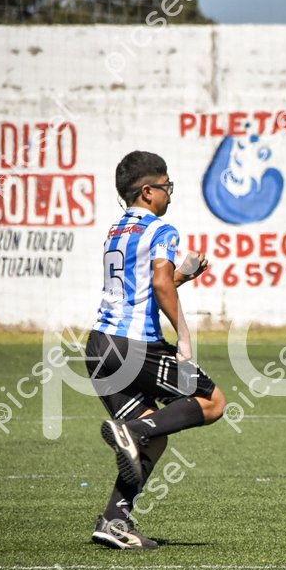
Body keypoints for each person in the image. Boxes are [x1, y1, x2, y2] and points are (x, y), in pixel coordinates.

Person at [85, 150, 226, 549]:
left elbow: (148, 286)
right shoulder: (162, 229)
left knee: (156, 434)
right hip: (134, 346)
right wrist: (184, 334)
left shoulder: (117, 230)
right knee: (213, 402)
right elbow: (160, 284)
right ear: (148, 191)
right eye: (166, 186)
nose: (169, 194)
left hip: (99, 346)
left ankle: (114, 521)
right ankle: (129, 432)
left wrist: (182, 275)